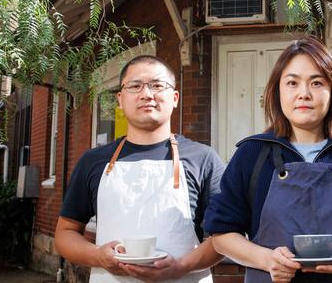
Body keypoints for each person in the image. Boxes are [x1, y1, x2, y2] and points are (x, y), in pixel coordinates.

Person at [203, 38, 332, 282]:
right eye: (292, 83)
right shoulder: (252, 153)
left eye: (316, 83)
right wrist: (267, 260)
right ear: (277, 91)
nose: (304, 94)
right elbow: (221, 233)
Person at [55, 55, 225, 283]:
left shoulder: (204, 159)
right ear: (120, 99)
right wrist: (97, 255)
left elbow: (225, 237)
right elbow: (65, 233)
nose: (147, 94)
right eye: (135, 86)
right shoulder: (93, 161)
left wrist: (181, 267)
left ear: (174, 98)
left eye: (157, 85)